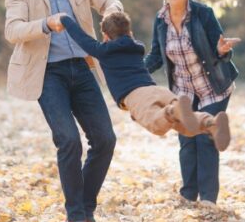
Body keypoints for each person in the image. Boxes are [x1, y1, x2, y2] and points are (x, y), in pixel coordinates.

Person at [4, 0, 123, 222]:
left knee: (105, 139)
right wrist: (46, 23)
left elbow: (109, 0)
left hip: (82, 70)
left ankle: (86, 208)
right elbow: (13, 30)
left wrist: (112, 16)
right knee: (68, 139)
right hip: (48, 73)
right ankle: (75, 218)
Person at [58, 11, 231, 150]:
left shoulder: (104, 50)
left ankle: (173, 110)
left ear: (106, 37)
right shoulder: (137, 47)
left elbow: (82, 38)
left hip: (135, 96)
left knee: (157, 124)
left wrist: (65, 19)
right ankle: (211, 123)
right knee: (186, 124)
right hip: (156, 89)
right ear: (130, 34)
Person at [144, 0, 240, 205]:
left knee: (204, 137)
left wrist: (221, 50)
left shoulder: (203, 13)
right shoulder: (160, 20)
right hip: (183, 91)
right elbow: (157, 56)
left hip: (212, 88)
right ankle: (188, 195)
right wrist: (134, 72)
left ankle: (208, 198)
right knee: (186, 139)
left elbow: (221, 50)